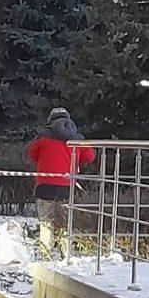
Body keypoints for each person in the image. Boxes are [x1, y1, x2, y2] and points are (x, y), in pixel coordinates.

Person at [27, 108, 95, 258]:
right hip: (67, 185)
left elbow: (32, 154)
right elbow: (90, 156)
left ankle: (46, 252)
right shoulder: (76, 138)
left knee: (46, 221)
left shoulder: (43, 137)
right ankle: (66, 251)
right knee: (65, 219)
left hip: (45, 185)